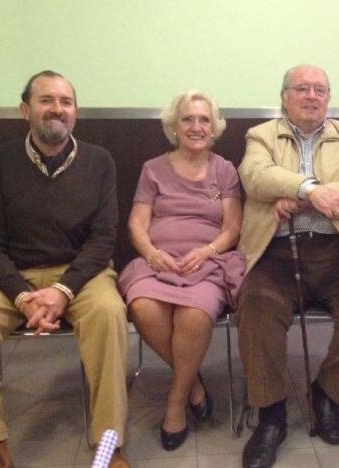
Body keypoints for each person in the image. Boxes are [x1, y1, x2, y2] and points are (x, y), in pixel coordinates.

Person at [0, 70, 130, 468]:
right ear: (26, 110)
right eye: (46, 100)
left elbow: (102, 239)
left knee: (110, 314)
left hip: (82, 272)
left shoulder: (100, 161)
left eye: (65, 101)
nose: (57, 109)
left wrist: (63, 290)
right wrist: (23, 296)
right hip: (10, 275)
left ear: (76, 112)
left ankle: (109, 442)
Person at [236, 64, 339, 468]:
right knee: (255, 308)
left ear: (328, 97)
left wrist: (308, 196)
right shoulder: (261, 135)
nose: (311, 96)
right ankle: (270, 415)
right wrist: (307, 187)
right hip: (278, 251)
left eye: (319, 89)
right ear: (284, 96)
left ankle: (327, 392)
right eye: (302, 88)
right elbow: (255, 177)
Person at [118, 90, 245, 451]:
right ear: (174, 126)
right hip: (157, 260)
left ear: (214, 128)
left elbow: (233, 227)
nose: (196, 126)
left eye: (204, 119)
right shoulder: (153, 169)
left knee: (193, 315)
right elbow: (137, 224)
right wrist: (153, 254)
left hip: (207, 261)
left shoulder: (225, 170)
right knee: (142, 307)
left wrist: (207, 251)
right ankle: (193, 385)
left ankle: (175, 404)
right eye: (188, 119)